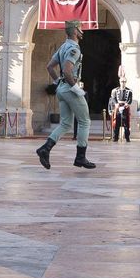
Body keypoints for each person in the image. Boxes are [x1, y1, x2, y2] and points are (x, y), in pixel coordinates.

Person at [38, 20, 95, 170]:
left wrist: (58, 81)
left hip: (62, 89)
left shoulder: (63, 46)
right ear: (75, 31)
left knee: (65, 123)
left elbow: (50, 66)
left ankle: (45, 148)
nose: (82, 31)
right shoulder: (74, 48)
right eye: (80, 29)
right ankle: (80, 157)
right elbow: (68, 70)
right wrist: (75, 88)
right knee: (84, 122)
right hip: (70, 89)